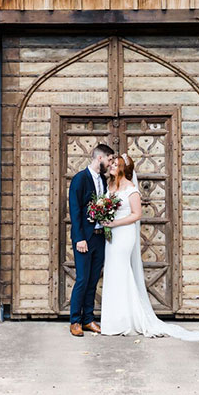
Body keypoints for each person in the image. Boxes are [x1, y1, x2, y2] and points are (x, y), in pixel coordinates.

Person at [99, 153, 199, 341]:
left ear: (123, 169)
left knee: (121, 271)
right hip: (112, 236)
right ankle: (115, 320)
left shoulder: (131, 189)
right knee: (112, 272)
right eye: (112, 164)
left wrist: (115, 223)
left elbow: (136, 215)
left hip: (124, 235)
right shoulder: (109, 186)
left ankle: (127, 320)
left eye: (115, 165)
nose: (111, 167)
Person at [67, 143, 115, 337]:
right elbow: (75, 210)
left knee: (93, 280)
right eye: (110, 159)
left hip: (99, 238)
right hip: (84, 239)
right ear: (100, 158)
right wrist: (79, 238)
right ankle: (75, 321)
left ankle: (88, 319)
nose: (111, 163)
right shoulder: (80, 179)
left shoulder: (103, 181)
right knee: (82, 279)